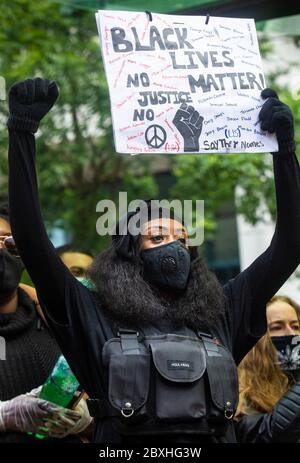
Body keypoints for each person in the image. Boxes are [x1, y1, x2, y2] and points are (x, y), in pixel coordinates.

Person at [6, 77, 300, 443]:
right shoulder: (90, 313)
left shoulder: (223, 312)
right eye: (158, 237)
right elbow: (32, 239)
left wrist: (284, 150)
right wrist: (22, 132)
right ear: (129, 256)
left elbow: (290, 244)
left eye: (182, 238)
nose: (175, 247)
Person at [0, 204, 91, 443]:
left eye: (6, 241)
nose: (0, 251)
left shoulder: (57, 325)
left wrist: (86, 417)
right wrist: (4, 416)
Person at [236, 295, 300, 443]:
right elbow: (265, 434)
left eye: (295, 326)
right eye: (277, 327)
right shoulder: (241, 398)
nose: (291, 333)